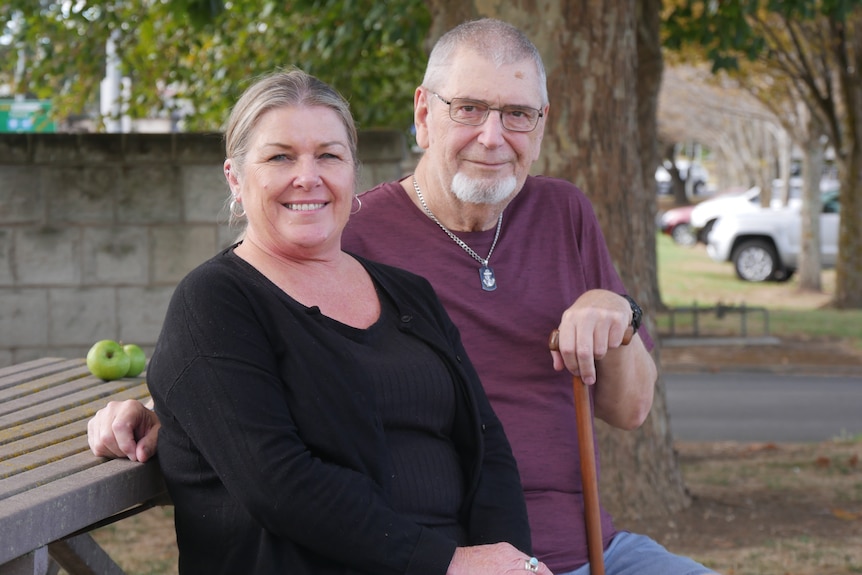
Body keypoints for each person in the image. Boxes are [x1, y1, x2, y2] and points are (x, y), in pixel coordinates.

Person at [90, 18, 718, 575]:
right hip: (411, 551)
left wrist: (618, 312)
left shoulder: (559, 214)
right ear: (423, 114)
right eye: (468, 108)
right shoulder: (342, 230)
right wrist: (159, 405)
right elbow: (241, 379)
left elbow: (617, 412)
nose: (493, 136)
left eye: (517, 113)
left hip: (568, 550)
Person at [119, 68, 551, 575]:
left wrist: (510, 562)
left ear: (352, 172)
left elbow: (486, 447)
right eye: (280, 156)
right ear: (235, 178)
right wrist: (447, 563)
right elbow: (278, 484)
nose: (309, 176)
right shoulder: (214, 303)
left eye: (329, 155)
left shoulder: (408, 293)